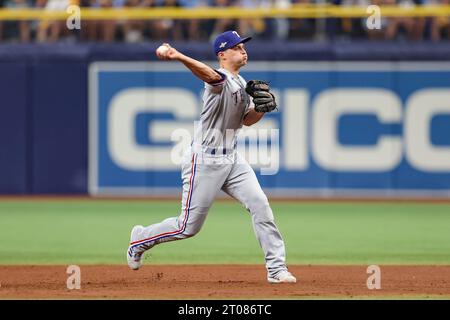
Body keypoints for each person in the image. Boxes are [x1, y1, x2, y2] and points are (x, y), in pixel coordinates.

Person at [126, 30, 296, 284]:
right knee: (187, 227)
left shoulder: (241, 82)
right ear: (222, 54)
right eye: (237, 47)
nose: (243, 50)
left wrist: (261, 110)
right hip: (205, 160)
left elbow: (246, 121)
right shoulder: (219, 80)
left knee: (260, 204)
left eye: (243, 46)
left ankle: (276, 269)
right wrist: (177, 55)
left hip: (232, 159)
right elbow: (210, 75)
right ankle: (139, 240)